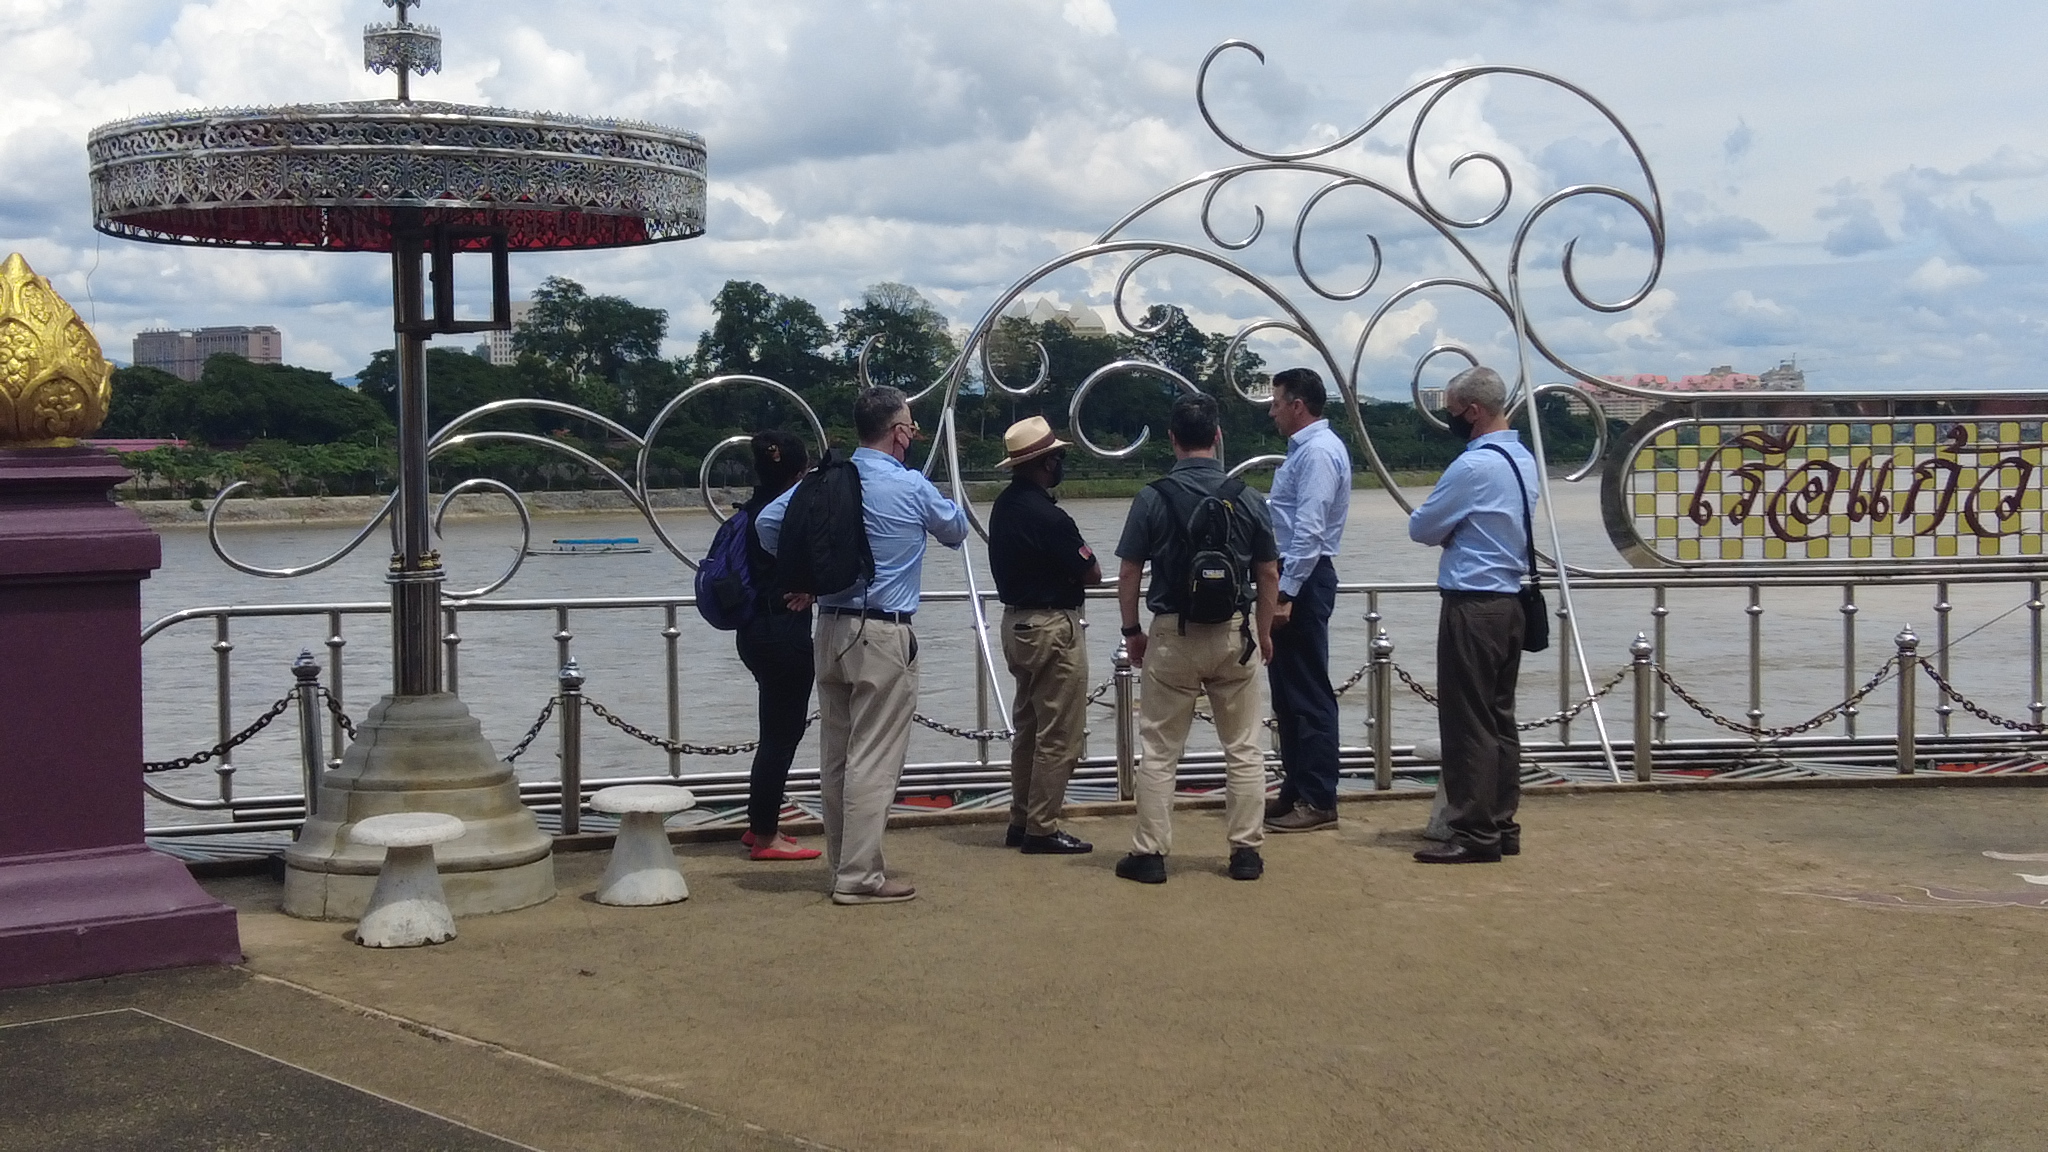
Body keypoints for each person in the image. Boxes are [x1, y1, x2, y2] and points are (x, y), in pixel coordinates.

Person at [757, 385, 970, 904]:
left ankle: (842, 868)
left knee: (836, 756)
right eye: (912, 427)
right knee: (874, 758)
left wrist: (812, 573)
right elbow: (956, 529)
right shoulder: (910, 485)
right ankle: (859, 877)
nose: (913, 434)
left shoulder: (824, 477)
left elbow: (767, 523)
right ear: (899, 433)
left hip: (829, 627)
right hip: (883, 631)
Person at [1112, 391, 1279, 884]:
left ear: (1172, 439)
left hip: (1172, 635)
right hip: (1234, 635)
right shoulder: (1248, 497)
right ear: (1218, 437)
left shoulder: (1152, 497)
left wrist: (1131, 631)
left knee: (1160, 751)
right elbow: (1268, 573)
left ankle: (1150, 854)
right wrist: (1263, 632)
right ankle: (1245, 853)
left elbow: (1128, 571)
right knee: (1244, 749)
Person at [1405, 365, 1536, 864]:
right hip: (1511, 602)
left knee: (1467, 723)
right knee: (1499, 718)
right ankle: (1501, 823)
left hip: (1472, 603)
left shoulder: (1473, 466)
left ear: (1474, 411)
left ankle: (1474, 831)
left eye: (1455, 411)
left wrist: (1453, 532)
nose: (1452, 420)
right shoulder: (1522, 460)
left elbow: (1423, 527)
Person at [988, 416, 1100, 855]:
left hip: (1015, 625)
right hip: (1053, 627)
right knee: (1060, 734)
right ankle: (1043, 828)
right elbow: (1091, 571)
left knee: (1028, 729)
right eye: (1058, 458)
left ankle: (1021, 819)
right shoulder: (1051, 517)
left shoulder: (1003, 508)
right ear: (1047, 463)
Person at [1261, 367, 1353, 834]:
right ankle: (1297, 788)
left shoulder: (1316, 453)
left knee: (1307, 692)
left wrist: (1286, 593)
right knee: (1288, 692)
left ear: (1297, 405)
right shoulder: (1309, 451)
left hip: (1302, 577)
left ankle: (1317, 797)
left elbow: (1309, 531)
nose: (1272, 411)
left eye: (1276, 402)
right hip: (1297, 575)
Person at [734, 431, 822, 862]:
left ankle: (759, 823)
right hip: (784, 631)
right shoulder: (788, 515)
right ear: (800, 472)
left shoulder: (749, 510)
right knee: (781, 737)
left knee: (772, 732)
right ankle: (767, 835)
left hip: (753, 630)